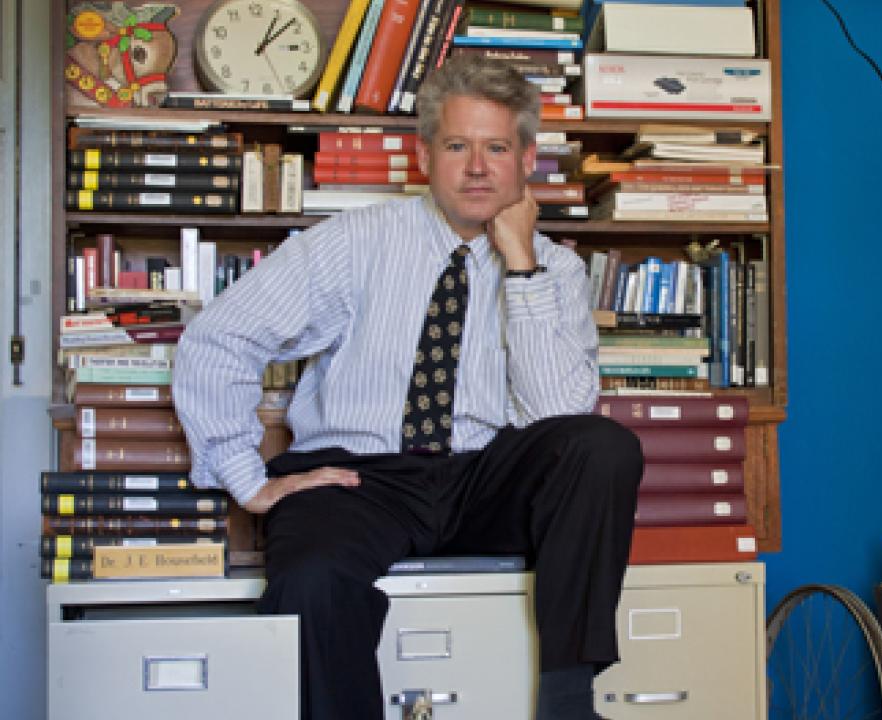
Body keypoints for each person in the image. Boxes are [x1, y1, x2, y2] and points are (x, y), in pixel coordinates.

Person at [173, 55, 643, 720]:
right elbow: (220, 337)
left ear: (527, 159)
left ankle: (568, 703)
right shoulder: (352, 243)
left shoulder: (555, 272)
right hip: (357, 481)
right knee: (310, 580)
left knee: (602, 446)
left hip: (482, 479)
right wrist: (246, 478)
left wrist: (519, 264)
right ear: (425, 155)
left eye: (496, 147)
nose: (477, 167)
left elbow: (556, 419)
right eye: (457, 145)